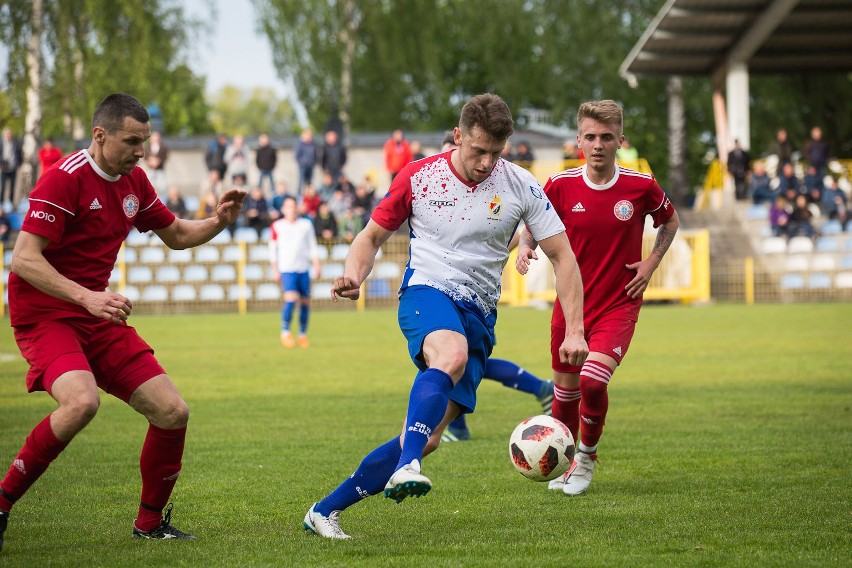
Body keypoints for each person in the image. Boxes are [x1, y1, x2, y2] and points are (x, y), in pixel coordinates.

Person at [303, 93, 587, 539]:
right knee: (449, 355)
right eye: (478, 150)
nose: (486, 162)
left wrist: (575, 330)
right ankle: (409, 463)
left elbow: (564, 258)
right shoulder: (420, 177)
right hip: (426, 292)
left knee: (427, 435)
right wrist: (353, 275)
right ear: (458, 137)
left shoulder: (521, 185)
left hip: (481, 314)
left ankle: (324, 510)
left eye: (496, 152)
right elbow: (371, 236)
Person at [0, 93, 246, 552]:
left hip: (96, 314)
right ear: (100, 135)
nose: (141, 152)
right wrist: (85, 297)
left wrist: (218, 221)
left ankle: (149, 525)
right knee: (81, 403)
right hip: (46, 314)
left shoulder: (135, 182)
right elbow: (23, 260)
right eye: (132, 142)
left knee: (173, 412)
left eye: (145, 142)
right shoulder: (63, 180)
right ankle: (1, 504)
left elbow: (175, 235)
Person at [517, 99, 679, 497]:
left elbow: (670, 221)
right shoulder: (560, 184)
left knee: (592, 381)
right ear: (578, 141)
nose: (598, 144)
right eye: (590, 137)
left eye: (607, 137)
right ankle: (562, 464)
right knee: (564, 396)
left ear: (620, 140)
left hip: (618, 304)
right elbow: (533, 220)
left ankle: (586, 459)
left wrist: (651, 263)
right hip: (571, 308)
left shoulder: (640, 186)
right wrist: (524, 245)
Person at [268, 196, 321, 349]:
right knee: (290, 299)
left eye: (293, 206)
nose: (291, 209)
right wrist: (275, 270)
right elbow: (273, 249)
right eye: (288, 206)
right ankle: (285, 331)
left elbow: (312, 245)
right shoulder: (277, 226)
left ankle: (302, 334)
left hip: (303, 268)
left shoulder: (306, 225)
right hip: (287, 269)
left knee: (305, 302)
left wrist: (317, 265)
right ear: (283, 209)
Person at [0, 128, 23, 210]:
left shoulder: (15, 143)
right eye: (7, 134)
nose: (9, 136)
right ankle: (1, 204)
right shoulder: (2, 143)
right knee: (3, 187)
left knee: (12, 187)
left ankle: (10, 204)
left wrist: (19, 163)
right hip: (4, 168)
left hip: (13, 168)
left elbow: (19, 154)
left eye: (10, 134)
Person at [294, 129, 318, 195]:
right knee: (301, 181)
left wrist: (314, 162)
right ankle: (299, 194)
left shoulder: (313, 144)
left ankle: (309, 194)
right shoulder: (300, 144)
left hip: (311, 165)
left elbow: (315, 154)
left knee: (309, 182)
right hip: (303, 166)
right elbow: (297, 155)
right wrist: (302, 162)